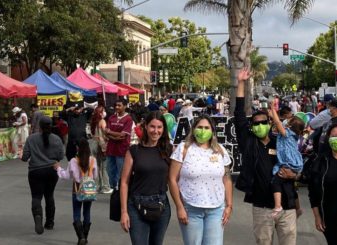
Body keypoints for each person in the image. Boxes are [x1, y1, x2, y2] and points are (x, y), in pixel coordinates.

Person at [232, 70, 300, 245]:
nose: (260, 125)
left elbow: (299, 166)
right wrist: (241, 83)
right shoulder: (248, 142)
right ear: (252, 126)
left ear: (270, 123)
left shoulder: (281, 141)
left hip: (287, 205)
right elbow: (239, 114)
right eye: (256, 123)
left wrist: (296, 176)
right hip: (261, 206)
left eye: (264, 122)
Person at [169, 115, 234, 245]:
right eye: (199, 127)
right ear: (193, 129)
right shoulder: (183, 149)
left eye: (206, 128)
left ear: (212, 131)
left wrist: (229, 205)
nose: (203, 131)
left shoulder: (220, 150)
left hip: (216, 209)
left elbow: (226, 179)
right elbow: (172, 179)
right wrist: (179, 207)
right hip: (191, 208)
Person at [120, 112, 173, 245]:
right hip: (136, 206)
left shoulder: (169, 150)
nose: (156, 131)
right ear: (145, 127)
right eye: (152, 127)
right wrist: (124, 212)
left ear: (164, 129)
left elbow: (175, 180)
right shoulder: (134, 151)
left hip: (161, 206)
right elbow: (124, 182)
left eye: (159, 127)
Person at [22, 116, 66, 234]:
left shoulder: (31, 139)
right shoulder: (56, 139)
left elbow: (25, 157)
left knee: (36, 197)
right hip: (52, 171)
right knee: (49, 196)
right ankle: (50, 222)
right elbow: (61, 156)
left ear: (39, 126)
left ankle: (38, 216)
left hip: (35, 171)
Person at [57, 139, 99, 245]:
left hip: (76, 190)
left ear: (77, 149)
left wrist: (58, 169)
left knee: (76, 213)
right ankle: (85, 236)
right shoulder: (93, 160)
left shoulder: (73, 161)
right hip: (89, 190)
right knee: (87, 212)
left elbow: (66, 176)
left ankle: (81, 237)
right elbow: (95, 176)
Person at [269, 102, 305, 216]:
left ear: (290, 126)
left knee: (276, 181)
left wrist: (273, 110)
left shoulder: (287, 134)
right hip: (295, 162)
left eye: (288, 122)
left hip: (288, 162)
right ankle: (298, 209)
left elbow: (278, 123)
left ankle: (278, 206)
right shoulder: (294, 135)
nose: (285, 122)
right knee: (290, 185)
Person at [105, 100, 135, 192]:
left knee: (121, 172)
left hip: (122, 150)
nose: (117, 107)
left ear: (125, 106)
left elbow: (123, 135)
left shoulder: (128, 119)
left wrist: (110, 133)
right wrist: (115, 136)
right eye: (116, 105)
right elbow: (106, 133)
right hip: (111, 149)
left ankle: (121, 190)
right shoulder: (111, 118)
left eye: (119, 105)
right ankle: (114, 188)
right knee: (110, 171)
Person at [90, 105, 113, 194]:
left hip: (94, 144)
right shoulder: (102, 121)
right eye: (103, 111)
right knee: (104, 167)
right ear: (100, 113)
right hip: (101, 145)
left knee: (97, 166)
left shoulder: (94, 121)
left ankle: (98, 186)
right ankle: (106, 187)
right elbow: (105, 132)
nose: (104, 113)